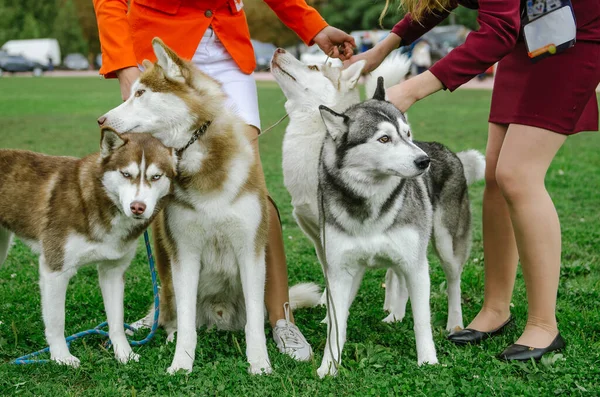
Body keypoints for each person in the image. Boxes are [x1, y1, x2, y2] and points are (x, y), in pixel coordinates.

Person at [93, 0, 354, 362]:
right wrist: (123, 65)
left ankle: (281, 317)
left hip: (228, 50)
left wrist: (315, 27)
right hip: (162, 55)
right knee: (164, 187)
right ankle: (167, 308)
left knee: (249, 186)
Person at [347, 0, 600, 361]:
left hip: (571, 35)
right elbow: (438, 3)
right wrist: (381, 50)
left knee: (518, 176)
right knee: (497, 177)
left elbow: (497, 29)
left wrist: (413, 88)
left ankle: (544, 324)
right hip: (526, 38)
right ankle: (497, 307)